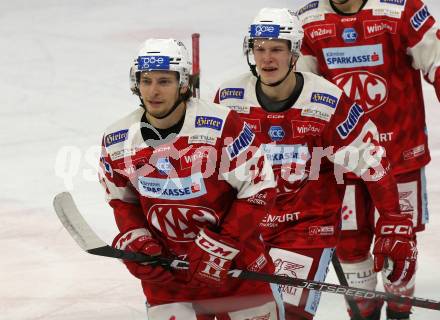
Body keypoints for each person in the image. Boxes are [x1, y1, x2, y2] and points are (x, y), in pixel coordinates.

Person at [214, 7, 417, 320]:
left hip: (306, 228)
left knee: (285, 315)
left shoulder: (327, 100)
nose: (267, 59)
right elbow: (210, 170)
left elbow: (372, 161)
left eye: (277, 50)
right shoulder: (229, 99)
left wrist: (393, 220)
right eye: (260, 49)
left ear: (295, 53)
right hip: (246, 227)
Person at [98, 38, 282, 319]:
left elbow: (260, 187)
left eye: (164, 81)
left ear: (183, 84)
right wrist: (138, 240)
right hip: (169, 282)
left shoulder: (222, 125)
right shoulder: (117, 139)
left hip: (237, 273)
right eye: (146, 81)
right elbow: (122, 202)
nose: (153, 91)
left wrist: (222, 244)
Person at [297, 0, 440, 319]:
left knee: (400, 245)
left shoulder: (402, 9)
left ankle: (400, 314)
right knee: (350, 250)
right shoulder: (307, 21)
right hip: (342, 162)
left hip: (399, 158)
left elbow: (437, 59)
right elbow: (299, 92)